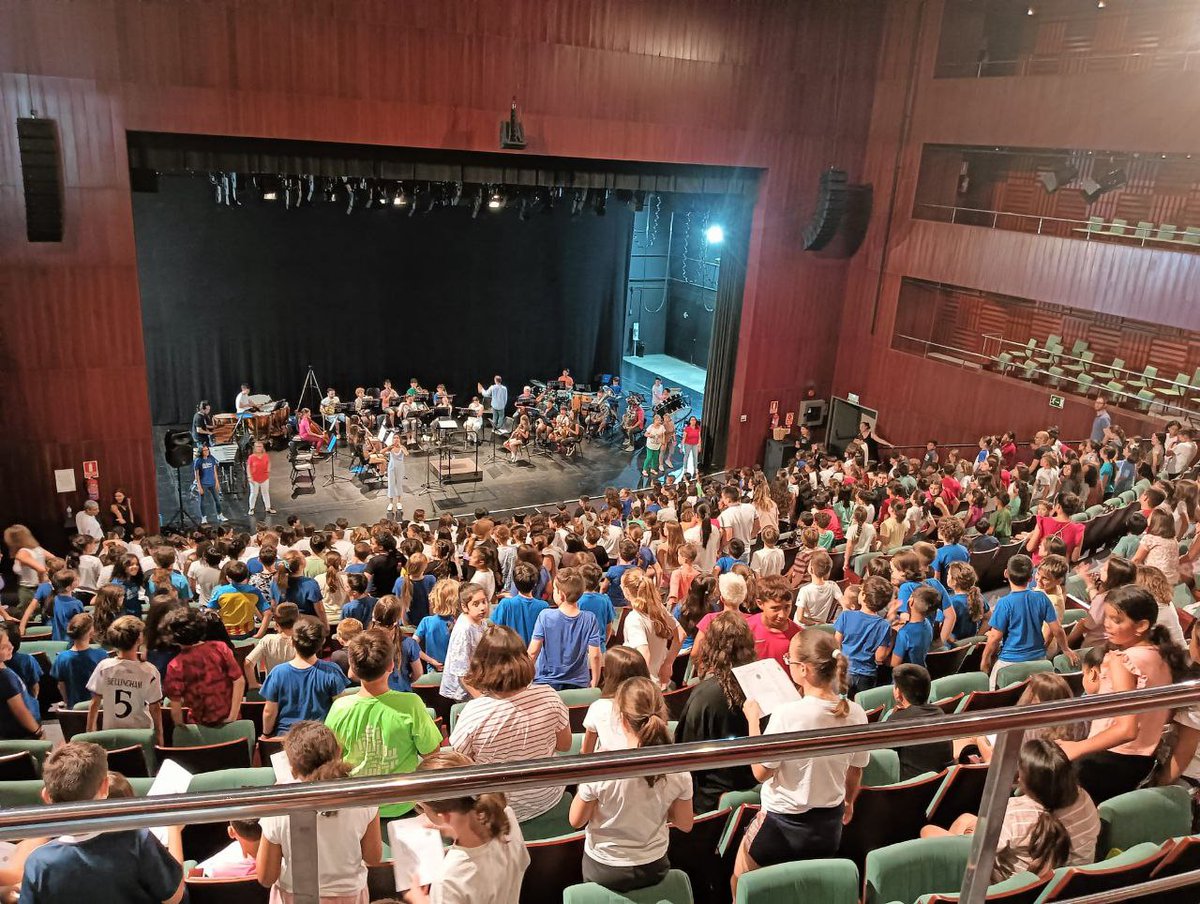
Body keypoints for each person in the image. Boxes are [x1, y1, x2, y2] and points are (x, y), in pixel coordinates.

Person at [735, 630, 869, 893]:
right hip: (828, 827)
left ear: (804, 669)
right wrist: (849, 802)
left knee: (739, 883)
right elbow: (855, 770)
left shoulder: (787, 714)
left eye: (790, 661)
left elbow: (760, 772)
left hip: (781, 825)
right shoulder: (856, 712)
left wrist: (752, 720)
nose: (788, 664)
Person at [1058, 584, 1187, 803]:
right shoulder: (1163, 656)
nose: (1107, 624)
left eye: (1116, 620)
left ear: (1141, 625)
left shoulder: (1122, 661)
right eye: (1107, 617)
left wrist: (1077, 748)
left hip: (1109, 760)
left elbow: (1127, 729)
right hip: (1143, 761)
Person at [569, 676, 694, 891]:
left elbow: (576, 820)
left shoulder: (602, 764)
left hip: (604, 868)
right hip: (655, 866)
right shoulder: (679, 768)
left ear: (623, 720)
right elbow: (685, 824)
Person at [19, 742, 185, 903]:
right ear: (105, 787)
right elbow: (174, 898)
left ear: (46, 796)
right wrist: (173, 829)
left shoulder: (38, 863)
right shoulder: (137, 839)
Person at [923, 739, 1099, 882]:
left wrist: (970, 834)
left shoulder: (1015, 814)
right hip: (1066, 885)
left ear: (1024, 781)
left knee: (928, 830)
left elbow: (974, 854)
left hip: (1011, 889)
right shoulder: (1083, 798)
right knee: (965, 819)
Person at [449, 626, 571, 822]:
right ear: (523, 659)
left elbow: (462, 765)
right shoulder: (550, 696)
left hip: (498, 810)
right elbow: (564, 745)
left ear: (481, 664)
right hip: (548, 796)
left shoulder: (473, 713)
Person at [256, 721, 381, 903]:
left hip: (295, 897)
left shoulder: (278, 806)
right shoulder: (363, 797)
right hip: (350, 896)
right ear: (339, 753)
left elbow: (266, 877)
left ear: (293, 768)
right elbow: (373, 857)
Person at [325, 630, 442, 821]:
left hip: (359, 809)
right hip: (404, 805)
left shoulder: (339, 708)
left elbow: (332, 760)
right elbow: (432, 753)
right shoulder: (411, 704)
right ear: (391, 665)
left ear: (352, 668)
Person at [405, 749, 531, 904]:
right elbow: (522, 862)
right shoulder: (506, 819)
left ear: (443, 816)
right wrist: (449, 827)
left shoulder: (448, 881)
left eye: (422, 807)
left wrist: (420, 900)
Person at [675, 612, 759, 813]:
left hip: (709, 800)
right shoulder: (762, 684)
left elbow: (684, 754)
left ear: (711, 646)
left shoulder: (704, 695)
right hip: (755, 789)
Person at [981, 555, 1075, 687]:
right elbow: (1057, 629)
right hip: (1039, 661)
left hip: (1009, 663)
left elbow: (994, 638)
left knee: (992, 690)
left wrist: (985, 660)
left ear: (1006, 573)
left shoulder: (1004, 603)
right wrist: (1065, 648)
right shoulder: (1042, 597)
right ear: (1030, 577)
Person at [260, 617, 349, 736]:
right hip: (320, 737)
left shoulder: (277, 673)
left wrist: (266, 734)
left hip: (286, 737)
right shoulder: (332, 671)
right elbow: (341, 707)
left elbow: (269, 712)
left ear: (292, 642)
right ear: (322, 642)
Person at [162, 606, 244, 727]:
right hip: (232, 723)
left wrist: (181, 728)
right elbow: (239, 680)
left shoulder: (175, 665)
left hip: (199, 725)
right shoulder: (220, 648)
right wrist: (233, 716)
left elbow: (176, 706)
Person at [86, 615, 164, 741]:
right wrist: (159, 736)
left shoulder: (104, 667)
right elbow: (155, 707)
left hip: (111, 734)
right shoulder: (150, 671)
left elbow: (95, 702)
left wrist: (90, 732)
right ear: (139, 639)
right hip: (141, 735)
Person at [529, 567, 603, 690]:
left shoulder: (545, 616)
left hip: (546, 683)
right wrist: (595, 681)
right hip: (578, 684)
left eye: (554, 589)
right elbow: (595, 655)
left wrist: (525, 679)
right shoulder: (590, 619)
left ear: (561, 594)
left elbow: (533, 652)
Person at [888, 664, 954, 780]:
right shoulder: (939, 712)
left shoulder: (897, 720)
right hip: (942, 783)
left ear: (898, 692)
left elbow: (885, 754)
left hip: (912, 786)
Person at [581, 646, 652, 754]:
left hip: (611, 763)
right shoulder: (652, 703)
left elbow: (586, 752)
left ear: (608, 675)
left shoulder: (598, 707)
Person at [620, 567, 682, 688]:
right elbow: (680, 634)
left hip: (645, 686)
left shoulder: (634, 618)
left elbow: (644, 655)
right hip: (660, 683)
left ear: (626, 591)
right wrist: (668, 664)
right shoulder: (659, 609)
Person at [834, 576, 893, 697]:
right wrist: (892, 639)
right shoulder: (884, 626)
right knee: (863, 705)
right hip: (867, 676)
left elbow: (835, 643)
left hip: (844, 671)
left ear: (864, 596)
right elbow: (880, 657)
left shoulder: (846, 616)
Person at [441, 583, 490, 704]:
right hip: (464, 689)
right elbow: (462, 672)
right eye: (476, 604)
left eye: (484, 602)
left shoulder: (482, 622)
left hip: (477, 679)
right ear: (464, 607)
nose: (482, 607)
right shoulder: (464, 630)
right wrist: (480, 698)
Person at [51, 613, 108, 708]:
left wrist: (68, 705)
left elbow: (61, 686)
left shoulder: (61, 658)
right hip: (98, 709)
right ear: (91, 632)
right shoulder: (101, 655)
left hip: (74, 710)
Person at [746, 575, 801, 672]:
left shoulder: (799, 636)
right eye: (775, 608)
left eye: (787, 607)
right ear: (760, 603)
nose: (782, 615)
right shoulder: (746, 629)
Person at [491, 561, 549, 645]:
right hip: (535, 651)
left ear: (514, 583)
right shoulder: (543, 606)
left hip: (511, 651)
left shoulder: (505, 604)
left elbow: (493, 625)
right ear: (535, 584)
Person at [207, 560, 266, 638]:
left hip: (227, 632)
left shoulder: (220, 591)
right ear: (246, 576)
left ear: (228, 577)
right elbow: (266, 613)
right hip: (248, 631)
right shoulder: (254, 591)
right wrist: (261, 632)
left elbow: (210, 610)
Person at [0, 627, 41, 739]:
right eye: (4, 647)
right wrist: (37, 731)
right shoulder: (6, 677)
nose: (11, 647)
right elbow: (20, 710)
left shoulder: (5, 670)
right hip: (21, 733)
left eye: (9, 642)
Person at [245, 602, 299, 687]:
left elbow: (248, 663)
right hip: (296, 687)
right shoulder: (301, 641)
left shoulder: (267, 640)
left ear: (276, 624)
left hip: (272, 688)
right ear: (297, 621)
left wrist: (253, 684)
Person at [4, 524, 51, 613]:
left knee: (28, 615)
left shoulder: (22, 553)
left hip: (29, 590)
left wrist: (41, 583)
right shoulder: (38, 549)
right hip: (43, 588)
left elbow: (41, 569)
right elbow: (55, 560)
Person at [192, 443, 228, 524]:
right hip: (203, 483)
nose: (206, 451)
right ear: (201, 451)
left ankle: (220, 514)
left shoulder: (211, 459)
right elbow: (196, 475)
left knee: (217, 499)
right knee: (202, 501)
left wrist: (217, 482)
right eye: (204, 450)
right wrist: (199, 486)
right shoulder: (198, 461)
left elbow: (214, 471)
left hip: (212, 483)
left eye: (207, 450)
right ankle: (204, 517)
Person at [246, 440, 275, 516]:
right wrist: (249, 477)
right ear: (254, 448)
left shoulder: (265, 456)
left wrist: (268, 470)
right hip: (254, 478)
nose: (259, 448)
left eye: (260, 446)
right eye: (257, 447)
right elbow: (248, 467)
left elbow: (268, 463)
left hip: (264, 477)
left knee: (265, 492)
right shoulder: (251, 457)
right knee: (254, 493)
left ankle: (268, 507)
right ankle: (251, 508)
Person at [385, 433, 406, 516]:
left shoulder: (402, 447)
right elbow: (381, 452)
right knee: (391, 484)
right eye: (394, 438)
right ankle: (390, 503)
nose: (396, 439)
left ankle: (399, 502)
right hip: (391, 467)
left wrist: (400, 446)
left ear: (399, 439)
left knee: (399, 484)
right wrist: (389, 447)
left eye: (397, 438)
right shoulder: (391, 447)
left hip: (400, 467)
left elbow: (407, 453)